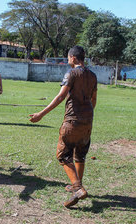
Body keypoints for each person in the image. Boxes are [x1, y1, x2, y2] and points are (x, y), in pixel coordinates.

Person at [29, 46, 97, 208]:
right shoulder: (92, 75)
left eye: (68, 57)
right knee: (80, 155)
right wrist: (86, 116)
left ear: (73, 58)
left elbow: (60, 97)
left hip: (72, 120)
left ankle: (78, 188)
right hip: (88, 121)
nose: (67, 60)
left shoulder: (71, 73)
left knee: (63, 155)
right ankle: (77, 184)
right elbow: (93, 100)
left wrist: (41, 114)